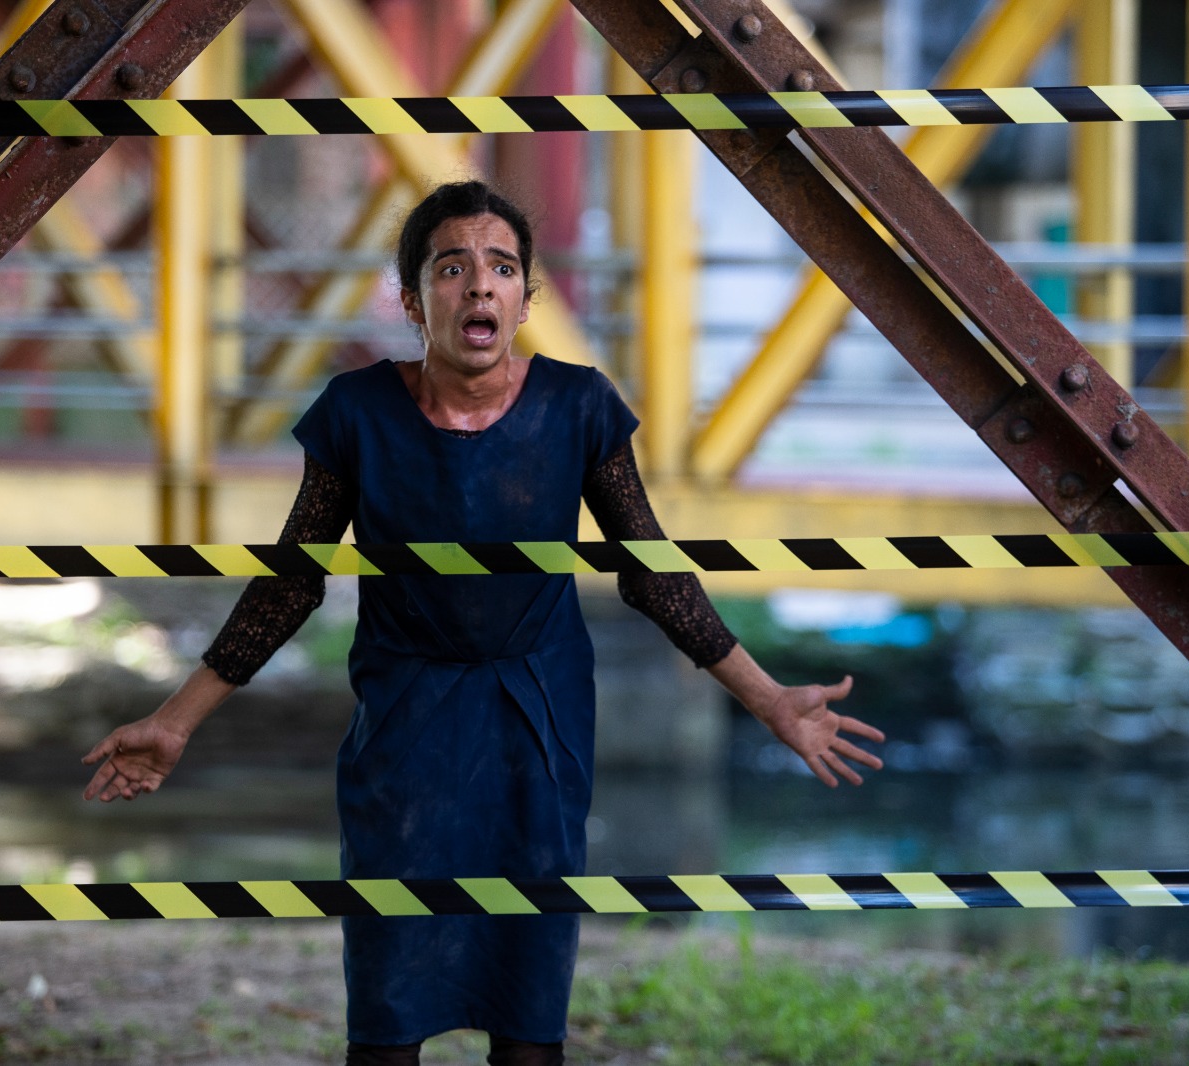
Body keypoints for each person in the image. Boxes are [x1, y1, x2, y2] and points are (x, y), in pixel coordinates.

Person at [81, 181, 884, 1066]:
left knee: (529, 1015)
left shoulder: (579, 407)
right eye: (452, 267)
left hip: (536, 726)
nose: (480, 286)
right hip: (402, 729)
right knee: (386, 1018)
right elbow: (289, 586)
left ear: (527, 299)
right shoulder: (356, 414)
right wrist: (174, 721)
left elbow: (654, 575)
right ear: (411, 296)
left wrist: (767, 698)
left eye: (502, 268)